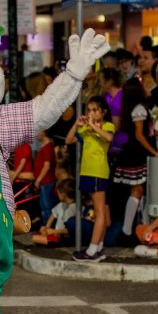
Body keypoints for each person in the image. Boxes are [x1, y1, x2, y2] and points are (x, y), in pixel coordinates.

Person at [112, 78, 158, 242]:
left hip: (133, 153)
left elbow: (146, 132)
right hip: (137, 154)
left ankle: (136, 227)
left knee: (139, 191)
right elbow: (140, 135)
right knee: (137, 190)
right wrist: (154, 152)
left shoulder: (132, 109)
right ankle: (127, 231)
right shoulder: (140, 109)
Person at [66, 96, 115, 261]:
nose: (91, 113)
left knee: (100, 211)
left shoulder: (107, 125)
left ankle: (92, 250)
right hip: (87, 172)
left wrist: (93, 126)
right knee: (98, 210)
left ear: (103, 112)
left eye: (95, 110)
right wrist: (77, 124)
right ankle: (98, 247)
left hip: (98, 172)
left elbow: (109, 138)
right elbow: (69, 139)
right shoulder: (86, 129)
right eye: (89, 110)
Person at [31, 178, 75, 246]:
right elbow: (52, 216)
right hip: (56, 233)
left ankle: (52, 241)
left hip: (65, 236)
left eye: (58, 194)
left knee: (36, 238)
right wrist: (46, 228)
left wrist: (54, 231)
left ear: (63, 195)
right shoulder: (61, 204)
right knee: (36, 236)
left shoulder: (73, 208)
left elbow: (69, 229)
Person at [33, 130, 57, 223]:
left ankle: (48, 228)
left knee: (47, 206)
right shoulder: (44, 146)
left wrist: (38, 180)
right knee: (43, 205)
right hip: (44, 182)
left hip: (46, 181)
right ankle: (45, 227)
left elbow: (46, 166)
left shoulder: (47, 147)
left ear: (43, 132)